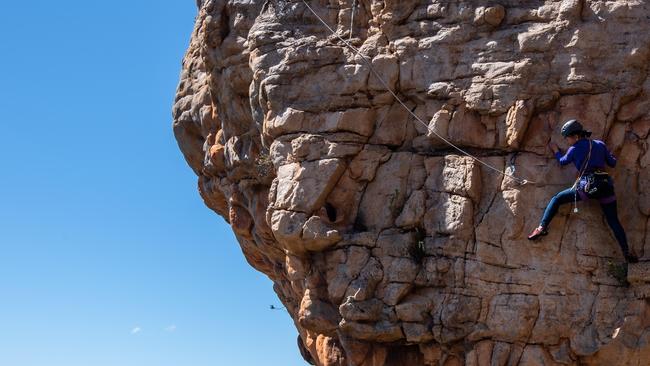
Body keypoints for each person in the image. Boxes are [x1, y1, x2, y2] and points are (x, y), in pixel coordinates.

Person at [527, 119, 637, 263]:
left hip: (588, 187)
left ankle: (541, 228)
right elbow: (613, 163)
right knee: (613, 221)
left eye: (567, 138)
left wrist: (556, 151)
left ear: (575, 136)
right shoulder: (599, 144)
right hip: (605, 186)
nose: (567, 141)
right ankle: (626, 252)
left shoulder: (574, 149)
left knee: (557, 198)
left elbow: (562, 162)